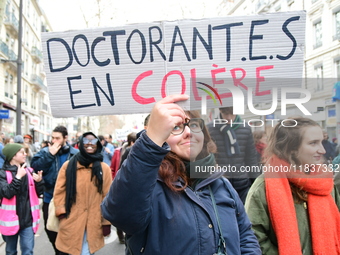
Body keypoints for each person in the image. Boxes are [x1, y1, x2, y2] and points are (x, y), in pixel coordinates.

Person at [101, 94, 261, 254]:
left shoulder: (222, 184)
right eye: (176, 127)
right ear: (159, 136)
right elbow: (121, 217)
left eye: (195, 125)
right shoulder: (147, 184)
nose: (189, 132)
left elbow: (245, 237)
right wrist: (149, 144)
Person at [245, 117, 340, 255]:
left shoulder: (325, 182)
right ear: (292, 148)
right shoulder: (263, 187)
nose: (323, 150)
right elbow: (253, 237)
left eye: (321, 142)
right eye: (313, 143)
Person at [53, 132, 112, 255]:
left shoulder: (104, 168)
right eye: (85, 141)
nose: (89, 144)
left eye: (93, 141)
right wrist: (61, 212)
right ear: (80, 144)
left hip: (93, 222)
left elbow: (107, 197)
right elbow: (59, 191)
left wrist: (106, 222)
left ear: (98, 144)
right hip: (71, 220)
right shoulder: (68, 166)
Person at [31, 126, 79, 255]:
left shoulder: (74, 154)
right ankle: (59, 250)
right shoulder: (45, 152)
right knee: (51, 229)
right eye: (52, 138)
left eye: (57, 138)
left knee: (69, 230)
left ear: (65, 138)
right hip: (49, 197)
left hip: (70, 199)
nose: (54, 141)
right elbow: (34, 167)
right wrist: (49, 155)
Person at [207, 106, 259, 203]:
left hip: (242, 183)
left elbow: (251, 158)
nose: (229, 118)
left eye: (232, 114)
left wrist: (255, 182)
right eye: (226, 114)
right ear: (220, 111)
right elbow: (208, 158)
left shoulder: (245, 128)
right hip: (220, 184)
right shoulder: (210, 129)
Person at [0, 143, 44, 255]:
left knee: (28, 251)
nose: (25, 154)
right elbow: (7, 193)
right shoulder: (2, 174)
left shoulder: (29, 171)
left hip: (28, 220)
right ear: (13, 156)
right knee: (10, 251)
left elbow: (39, 193)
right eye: (21, 152)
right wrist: (18, 177)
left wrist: (39, 182)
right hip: (10, 220)